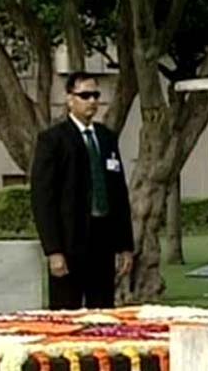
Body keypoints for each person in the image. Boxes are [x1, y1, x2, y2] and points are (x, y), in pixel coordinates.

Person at [30, 71, 134, 310]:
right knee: (67, 314)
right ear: (70, 99)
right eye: (85, 95)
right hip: (70, 242)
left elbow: (119, 194)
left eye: (95, 95)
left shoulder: (107, 138)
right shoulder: (53, 140)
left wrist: (125, 246)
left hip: (103, 240)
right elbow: (43, 199)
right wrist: (53, 250)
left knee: (103, 313)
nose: (92, 101)